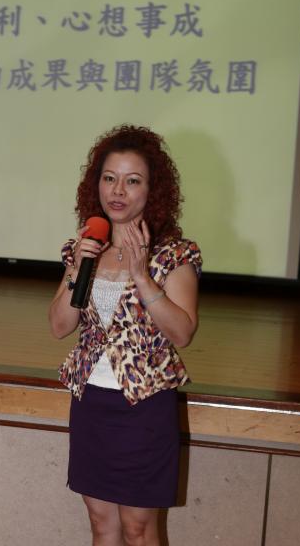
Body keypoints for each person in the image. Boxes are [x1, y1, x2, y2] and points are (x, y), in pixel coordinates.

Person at [49, 125, 202, 546]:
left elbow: (183, 332)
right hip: (91, 402)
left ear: (153, 191)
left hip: (143, 406)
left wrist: (141, 275)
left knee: (138, 528)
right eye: (109, 178)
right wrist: (77, 267)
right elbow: (59, 326)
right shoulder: (83, 248)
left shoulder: (173, 255)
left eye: (132, 181)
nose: (118, 190)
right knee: (102, 525)